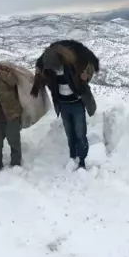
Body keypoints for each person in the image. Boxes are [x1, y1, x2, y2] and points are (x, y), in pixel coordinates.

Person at [30, 40, 99, 170]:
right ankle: (73, 156)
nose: (53, 69)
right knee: (69, 133)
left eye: (54, 67)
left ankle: (82, 161)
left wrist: (86, 77)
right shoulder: (50, 70)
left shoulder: (73, 64)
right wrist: (38, 79)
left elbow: (89, 67)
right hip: (63, 105)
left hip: (77, 103)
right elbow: (40, 70)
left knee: (80, 133)